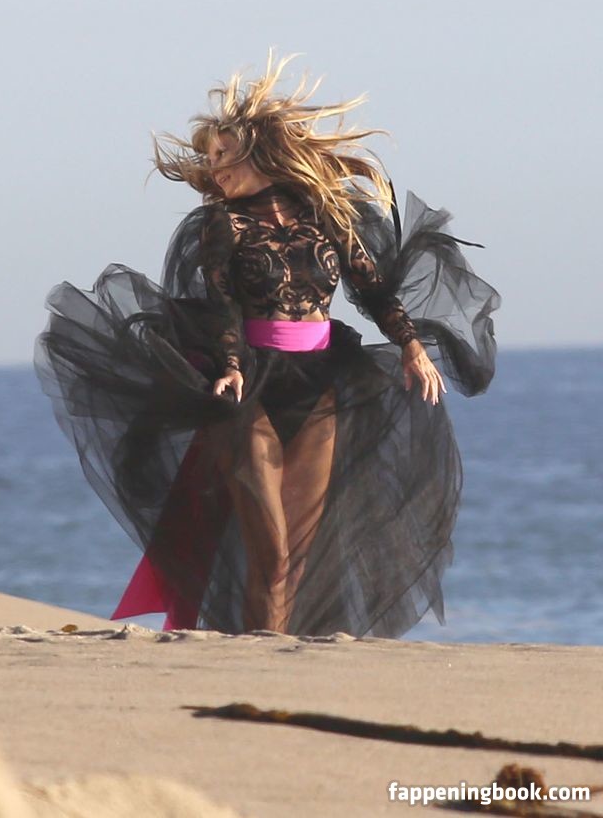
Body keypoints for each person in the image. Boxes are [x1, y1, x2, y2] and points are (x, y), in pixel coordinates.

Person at [36, 55, 499, 638]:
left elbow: (372, 287)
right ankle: (257, 660)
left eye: (223, 155)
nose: (215, 168)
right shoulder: (222, 224)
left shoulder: (327, 214)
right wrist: (229, 365)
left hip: (325, 380)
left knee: (298, 557)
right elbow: (221, 301)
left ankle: (276, 660)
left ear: (258, 153)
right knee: (272, 553)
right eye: (209, 158)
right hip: (250, 383)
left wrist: (410, 345)